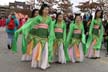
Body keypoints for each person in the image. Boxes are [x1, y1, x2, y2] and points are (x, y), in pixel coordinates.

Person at [12, 3, 53, 70]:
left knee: (45, 51)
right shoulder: (37, 17)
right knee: (36, 51)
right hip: (37, 38)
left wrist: (51, 36)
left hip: (45, 38)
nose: (47, 11)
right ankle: (36, 63)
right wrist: (21, 30)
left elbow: (51, 29)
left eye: (48, 10)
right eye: (45, 9)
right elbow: (29, 25)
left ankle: (44, 64)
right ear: (42, 10)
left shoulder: (49, 19)